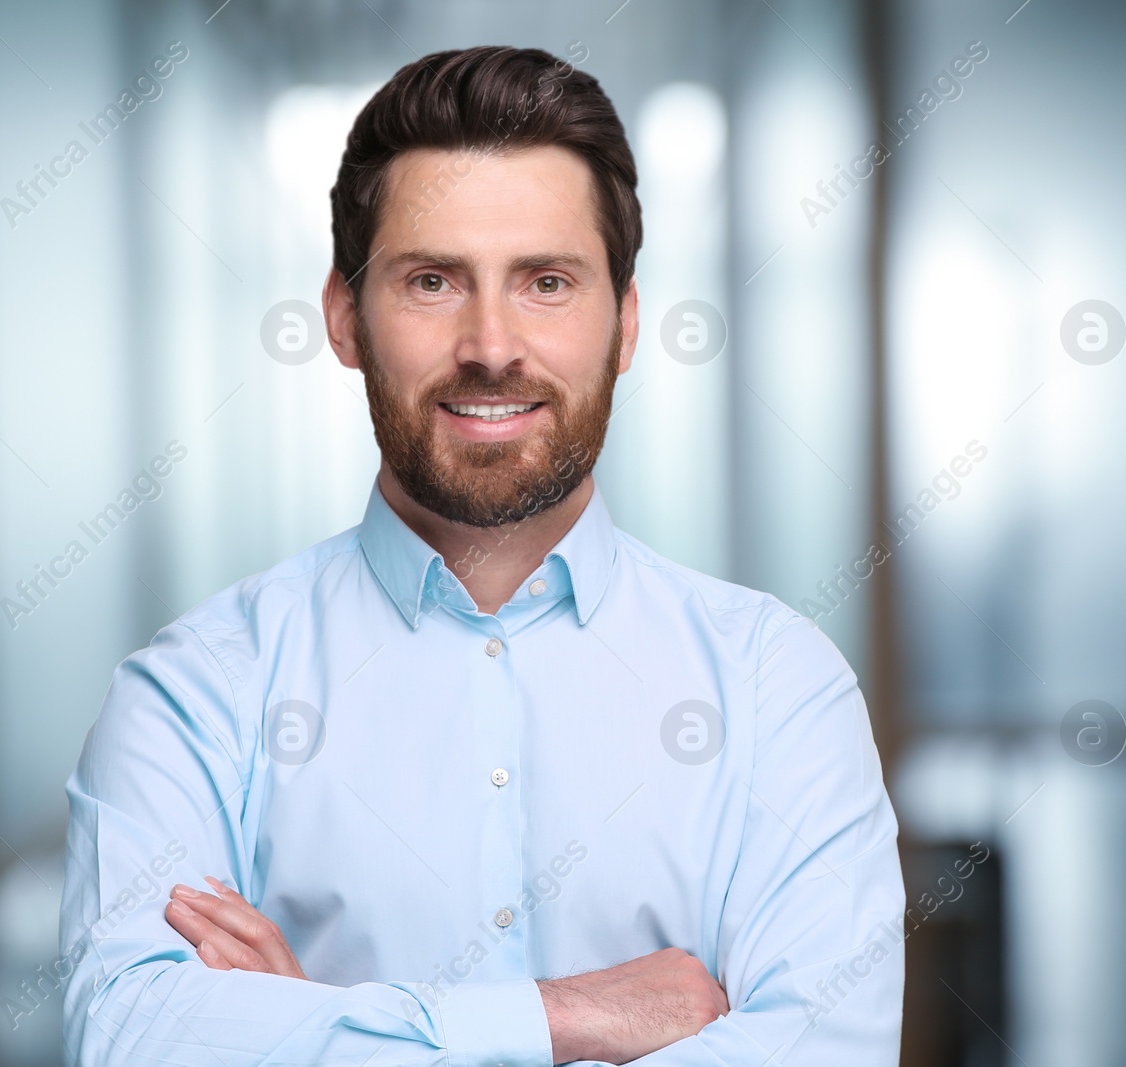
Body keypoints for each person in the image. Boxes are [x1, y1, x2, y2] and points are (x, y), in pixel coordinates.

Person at [60, 44, 904, 1067]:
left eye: (547, 281)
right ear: (343, 317)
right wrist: (558, 1017)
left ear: (625, 322)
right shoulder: (196, 693)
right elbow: (131, 1040)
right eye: (431, 281)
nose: (492, 344)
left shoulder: (780, 687)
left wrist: (317, 1028)